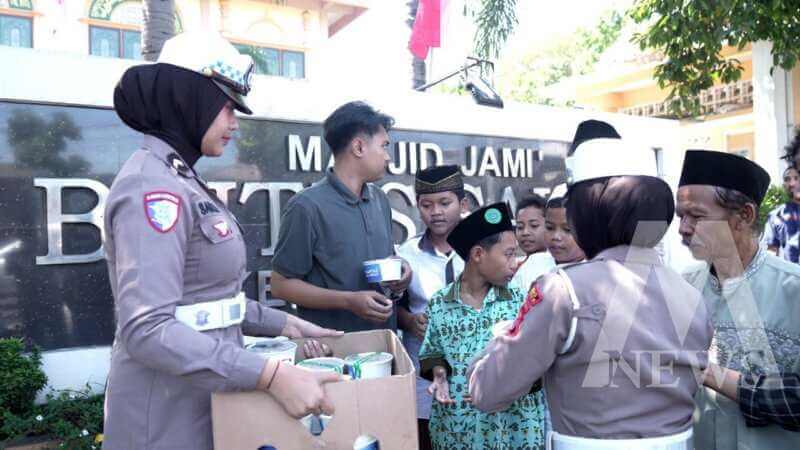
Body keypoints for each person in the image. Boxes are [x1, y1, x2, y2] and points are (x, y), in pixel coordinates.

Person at [103, 31, 342, 450]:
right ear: (188, 97)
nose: (234, 121)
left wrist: (286, 324)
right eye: (227, 106)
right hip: (163, 419)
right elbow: (146, 327)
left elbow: (203, 302)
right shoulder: (151, 188)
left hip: (205, 403)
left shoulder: (181, 180)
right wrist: (270, 375)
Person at [468, 136, 712, 450]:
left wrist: (498, 341)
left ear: (587, 214)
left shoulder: (562, 290)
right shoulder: (692, 296)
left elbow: (489, 391)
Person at [676, 150, 800, 449]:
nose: (683, 228)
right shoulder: (681, 287)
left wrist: (705, 370)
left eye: (697, 216)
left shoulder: (793, 290)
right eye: (680, 216)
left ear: (744, 216)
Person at [271, 101, 412, 332]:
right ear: (358, 147)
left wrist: (401, 272)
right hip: (334, 350)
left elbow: (387, 258)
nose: (388, 157)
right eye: (384, 146)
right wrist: (348, 301)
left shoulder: (380, 199)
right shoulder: (306, 207)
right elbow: (280, 285)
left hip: (385, 345)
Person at [419, 202, 548, 450]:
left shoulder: (523, 300)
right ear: (478, 255)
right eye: (508, 254)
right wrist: (439, 374)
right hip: (457, 428)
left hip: (513, 429)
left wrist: (506, 384)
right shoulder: (440, 303)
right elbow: (432, 352)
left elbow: (541, 363)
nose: (515, 262)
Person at [396, 164, 468, 450]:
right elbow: (394, 310)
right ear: (418, 207)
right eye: (427, 204)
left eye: (444, 203)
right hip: (424, 378)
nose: (435, 211)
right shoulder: (405, 254)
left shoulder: (484, 249)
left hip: (473, 373)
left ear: (463, 204)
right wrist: (411, 322)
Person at [511, 194, 556, 292]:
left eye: (534, 225)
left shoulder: (547, 264)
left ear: (549, 226)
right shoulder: (517, 265)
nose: (525, 232)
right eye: (520, 227)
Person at [763, 166, 800, 263]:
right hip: (790, 275)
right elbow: (771, 250)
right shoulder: (776, 215)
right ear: (784, 185)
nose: (793, 183)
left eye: (797, 178)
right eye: (787, 179)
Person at [544, 183, 586, 265]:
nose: (556, 237)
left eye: (567, 230)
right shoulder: (534, 263)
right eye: (549, 228)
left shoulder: (598, 271)